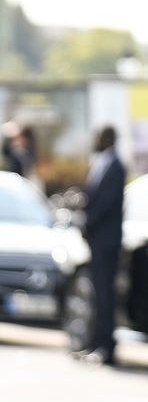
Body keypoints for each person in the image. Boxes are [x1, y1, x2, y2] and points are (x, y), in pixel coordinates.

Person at [81, 124, 126, 366]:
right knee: (97, 295)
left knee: (105, 295)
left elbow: (105, 204)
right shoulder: (100, 163)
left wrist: (87, 223)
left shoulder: (116, 165)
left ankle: (106, 347)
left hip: (107, 243)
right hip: (97, 241)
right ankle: (95, 342)